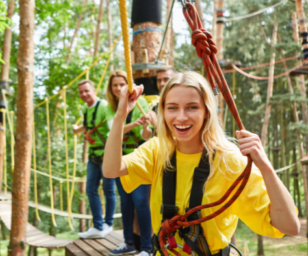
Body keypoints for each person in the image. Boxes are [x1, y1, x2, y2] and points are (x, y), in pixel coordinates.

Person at [103, 71, 300, 256]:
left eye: (192, 107)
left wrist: (264, 165)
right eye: (172, 108)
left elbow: (289, 226)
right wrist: (121, 114)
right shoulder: (158, 150)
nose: (181, 117)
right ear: (163, 111)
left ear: (207, 111)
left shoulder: (229, 161)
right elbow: (111, 169)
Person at [105, 70, 153, 256]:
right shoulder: (111, 106)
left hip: (138, 159)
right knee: (125, 203)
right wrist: (133, 123)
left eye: (122, 84)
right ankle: (129, 243)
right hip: (120, 160)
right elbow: (113, 131)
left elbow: (146, 136)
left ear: (128, 86)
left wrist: (145, 125)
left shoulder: (140, 102)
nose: (118, 88)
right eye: (115, 85)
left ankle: (147, 248)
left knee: (141, 202)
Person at [72, 79, 116, 239]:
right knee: (91, 189)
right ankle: (98, 225)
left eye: (86, 91)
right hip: (93, 154)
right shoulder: (85, 108)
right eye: (81, 92)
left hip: (106, 154)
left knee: (108, 189)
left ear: (93, 90)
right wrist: (78, 130)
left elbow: (113, 127)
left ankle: (107, 224)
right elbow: (88, 125)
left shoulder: (104, 106)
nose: (84, 94)